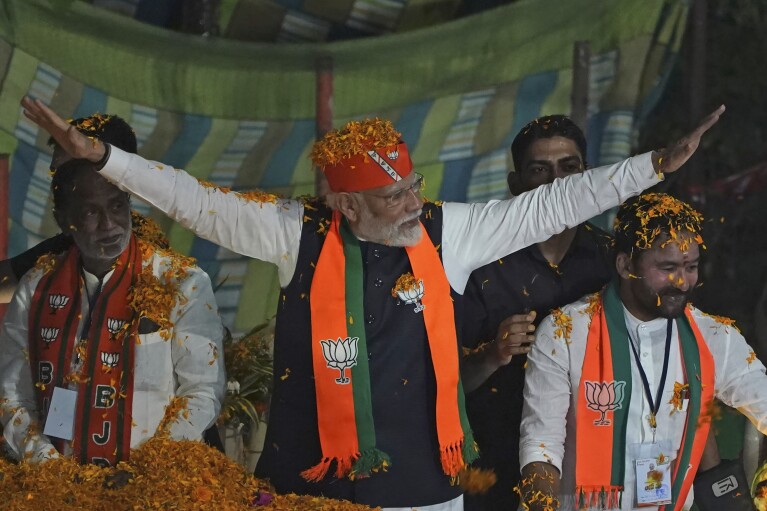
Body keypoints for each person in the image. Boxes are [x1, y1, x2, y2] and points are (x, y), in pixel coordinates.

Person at [22, 97, 723, 510]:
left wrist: (652, 167)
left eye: (413, 184)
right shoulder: (293, 233)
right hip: (308, 485)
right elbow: (197, 202)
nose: (412, 201)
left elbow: (555, 203)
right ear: (346, 205)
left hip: (425, 487)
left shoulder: (450, 232)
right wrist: (107, 160)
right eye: (394, 196)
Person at [0, 113, 226, 467]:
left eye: (71, 160)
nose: (107, 224)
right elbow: (13, 393)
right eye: (58, 170)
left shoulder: (175, 277)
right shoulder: (43, 275)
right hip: (59, 477)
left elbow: (200, 391)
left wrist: (146, 471)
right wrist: (50, 470)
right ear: (63, 216)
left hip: (158, 473)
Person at [518, 193, 767, 510]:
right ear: (625, 265)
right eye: (667, 267)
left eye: (690, 266)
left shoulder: (715, 336)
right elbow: (541, 445)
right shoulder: (564, 331)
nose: (682, 281)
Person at [460, 115, 613, 511]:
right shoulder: (480, 264)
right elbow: (441, 382)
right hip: (491, 464)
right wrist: (492, 354)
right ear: (515, 186)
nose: (557, 182)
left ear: (587, 175)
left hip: (591, 463)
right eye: (539, 170)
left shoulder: (614, 260)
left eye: (569, 167)